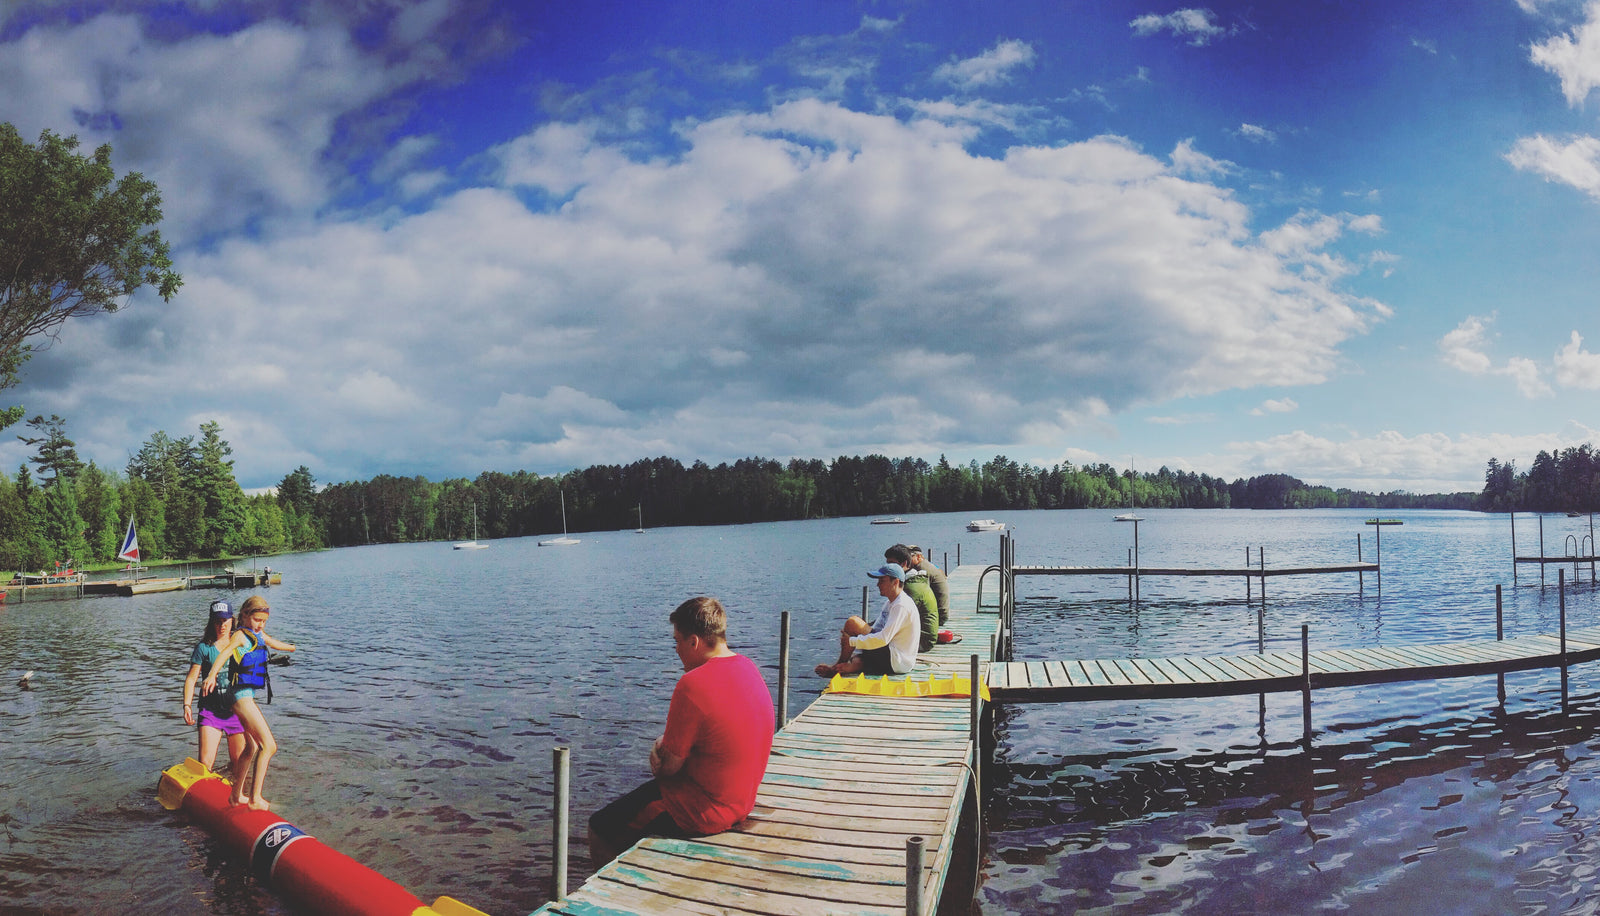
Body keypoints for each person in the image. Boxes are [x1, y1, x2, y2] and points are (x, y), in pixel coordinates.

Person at [589, 597, 774, 867]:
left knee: (600, 828)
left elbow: (669, 769)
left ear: (694, 642)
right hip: (741, 803)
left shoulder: (692, 684)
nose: (676, 649)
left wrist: (657, 754)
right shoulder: (749, 667)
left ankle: (606, 901)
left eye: (677, 641)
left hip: (703, 812)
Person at [202, 595, 297, 810]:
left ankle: (236, 796)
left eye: (263, 621)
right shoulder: (240, 636)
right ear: (244, 616)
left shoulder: (258, 634)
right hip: (240, 696)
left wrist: (293, 647)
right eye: (256, 620)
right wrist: (211, 675)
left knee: (251, 747)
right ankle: (255, 799)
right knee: (269, 746)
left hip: (243, 696)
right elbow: (225, 653)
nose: (260, 624)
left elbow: (272, 642)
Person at [181, 600, 250, 776]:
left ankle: (237, 794)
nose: (221, 626)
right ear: (212, 622)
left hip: (236, 711)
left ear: (232, 620)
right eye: (217, 621)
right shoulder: (203, 648)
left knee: (240, 763)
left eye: (225, 621)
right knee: (205, 764)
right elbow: (191, 679)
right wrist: (187, 705)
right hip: (210, 711)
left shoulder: (241, 643)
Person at [814, 563, 919, 677]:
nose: (878, 584)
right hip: (892, 657)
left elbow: (883, 638)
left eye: (882, 581)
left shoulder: (901, 605)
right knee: (857, 651)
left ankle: (836, 669)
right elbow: (876, 629)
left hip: (897, 663)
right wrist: (856, 641)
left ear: (896, 582)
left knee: (853, 623)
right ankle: (854, 665)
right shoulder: (891, 602)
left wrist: (852, 641)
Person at [886, 544, 938, 652]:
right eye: (887, 564)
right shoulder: (912, 580)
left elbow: (897, 619)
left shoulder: (911, 588)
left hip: (923, 641)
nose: (888, 568)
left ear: (904, 564)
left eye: (892, 564)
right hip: (918, 635)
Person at [905, 545, 950, 625]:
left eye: (909, 557)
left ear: (918, 557)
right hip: (940, 612)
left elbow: (920, 596)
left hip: (938, 616)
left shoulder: (922, 569)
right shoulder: (925, 564)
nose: (906, 561)